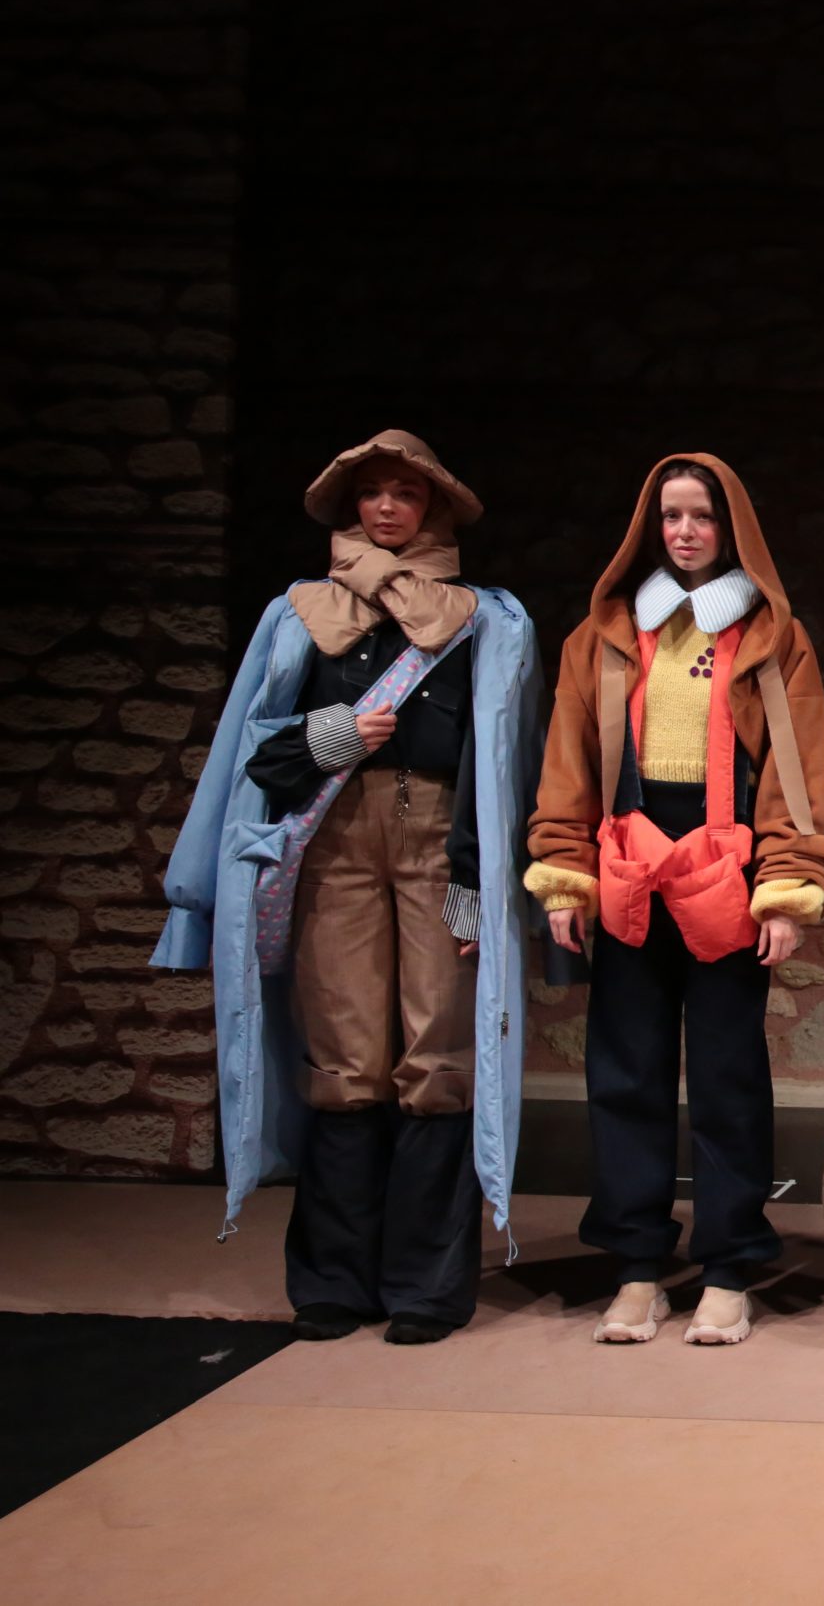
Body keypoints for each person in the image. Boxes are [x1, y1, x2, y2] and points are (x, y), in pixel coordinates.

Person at [154, 429, 540, 1343]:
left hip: (440, 842)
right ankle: (334, 1280)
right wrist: (330, 736)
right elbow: (251, 751)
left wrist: (478, 886)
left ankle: (424, 1286)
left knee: (438, 1061)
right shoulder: (298, 614)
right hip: (332, 843)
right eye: (372, 492)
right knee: (344, 1061)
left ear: (433, 505)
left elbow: (504, 765)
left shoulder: (485, 619)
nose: (387, 507)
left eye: (406, 492)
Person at [524, 453, 824, 1347]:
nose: (686, 531)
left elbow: (797, 772)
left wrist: (787, 886)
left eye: (702, 516)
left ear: (731, 529)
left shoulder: (774, 637)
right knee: (626, 1069)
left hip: (722, 867)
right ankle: (636, 1265)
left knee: (729, 1072)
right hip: (630, 862)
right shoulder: (606, 634)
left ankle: (729, 1265)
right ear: (649, 527)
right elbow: (567, 761)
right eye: (671, 516)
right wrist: (563, 871)